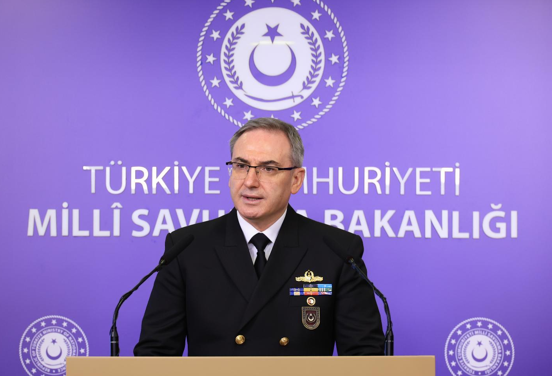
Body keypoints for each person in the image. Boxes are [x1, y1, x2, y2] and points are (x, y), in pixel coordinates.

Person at [134, 118, 384, 356]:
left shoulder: (337, 251)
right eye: (241, 166)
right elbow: (155, 356)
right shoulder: (186, 248)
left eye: (268, 168)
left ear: (296, 180)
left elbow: (365, 359)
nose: (250, 181)